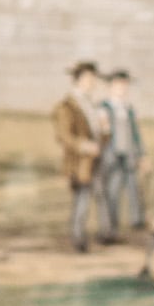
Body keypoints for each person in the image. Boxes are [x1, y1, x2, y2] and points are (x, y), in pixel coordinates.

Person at [52, 61, 105, 252]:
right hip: (79, 161)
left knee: (98, 196)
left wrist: (104, 132)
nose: (92, 83)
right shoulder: (66, 106)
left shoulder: (91, 104)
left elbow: (98, 133)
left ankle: (102, 234)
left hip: (95, 159)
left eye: (93, 79)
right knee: (82, 198)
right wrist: (84, 145)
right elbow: (64, 136)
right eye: (89, 79)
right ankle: (78, 237)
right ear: (79, 79)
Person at [99, 69, 147, 238]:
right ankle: (112, 226)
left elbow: (135, 134)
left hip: (129, 154)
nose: (122, 89)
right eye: (118, 85)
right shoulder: (104, 108)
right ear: (110, 86)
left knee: (134, 188)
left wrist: (142, 154)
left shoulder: (129, 109)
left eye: (125, 85)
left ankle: (137, 221)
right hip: (112, 155)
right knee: (113, 191)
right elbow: (102, 133)